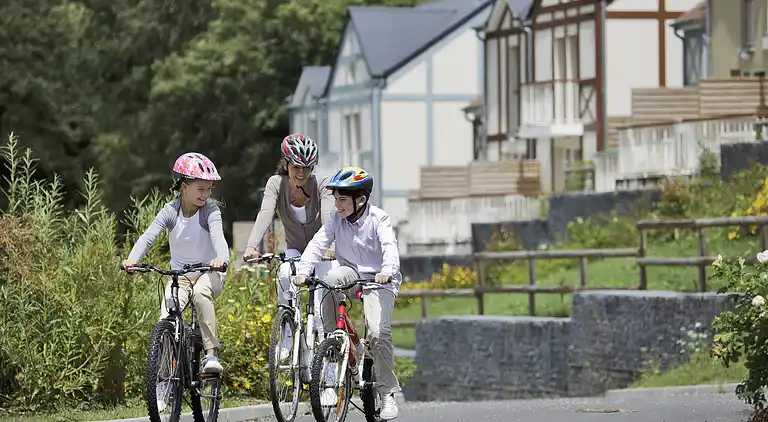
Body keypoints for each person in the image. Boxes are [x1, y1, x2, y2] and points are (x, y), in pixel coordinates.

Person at [294, 166, 401, 420]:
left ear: (360, 200)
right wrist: (303, 270)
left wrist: (387, 270)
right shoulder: (336, 220)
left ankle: (387, 394)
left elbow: (389, 247)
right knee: (330, 280)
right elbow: (318, 243)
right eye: (335, 199)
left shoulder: (379, 219)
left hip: (379, 279)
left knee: (377, 332)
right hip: (350, 273)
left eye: (342, 199)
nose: (337, 204)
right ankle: (333, 374)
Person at [122, 152, 230, 374]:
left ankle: (211, 354)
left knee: (201, 293)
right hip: (180, 277)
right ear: (183, 186)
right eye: (200, 189)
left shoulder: (210, 210)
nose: (206, 194)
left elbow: (219, 237)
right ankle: (164, 376)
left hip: (209, 272)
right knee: (167, 317)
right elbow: (148, 236)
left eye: (209, 189)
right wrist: (134, 259)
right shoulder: (171, 211)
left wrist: (221, 259)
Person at [243, 133, 338, 358]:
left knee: (324, 297)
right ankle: (287, 334)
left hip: (322, 251)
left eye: (307, 167)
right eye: (296, 167)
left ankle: (328, 356)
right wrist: (251, 245)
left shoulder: (322, 184)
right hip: (295, 248)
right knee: (285, 274)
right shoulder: (276, 184)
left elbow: (327, 217)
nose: (301, 173)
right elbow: (265, 213)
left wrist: (329, 247)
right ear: (285, 164)